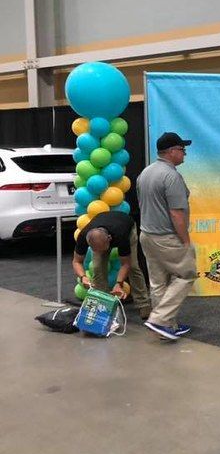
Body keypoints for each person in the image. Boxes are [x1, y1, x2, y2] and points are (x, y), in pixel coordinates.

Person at [136, 132, 196, 341]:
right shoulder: (171, 176)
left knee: (159, 281)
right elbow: (176, 212)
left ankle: (166, 326)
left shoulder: (145, 173)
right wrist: (185, 240)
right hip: (167, 238)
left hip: (147, 235)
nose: (184, 154)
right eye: (182, 150)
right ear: (171, 152)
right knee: (186, 274)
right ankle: (160, 320)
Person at [71, 210, 151, 320]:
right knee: (98, 267)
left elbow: (126, 264)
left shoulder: (121, 235)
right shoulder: (84, 236)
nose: (101, 252)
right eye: (96, 250)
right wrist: (83, 277)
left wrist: (119, 283)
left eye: (103, 249)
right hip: (104, 223)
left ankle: (143, 304)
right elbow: (76, 261)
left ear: (109, 239)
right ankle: (101, 305)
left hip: (126, 224)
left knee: (133, 266)